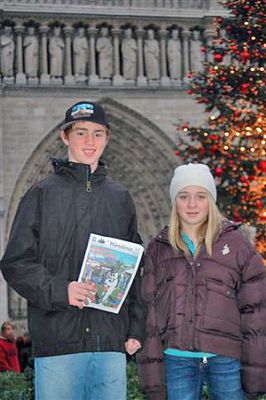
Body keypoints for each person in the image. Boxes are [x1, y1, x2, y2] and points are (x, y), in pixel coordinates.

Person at [0, 101, 146, 400]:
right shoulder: (40, 194)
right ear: (65, 137)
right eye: (81, 133)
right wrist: (60, 290)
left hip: (109, 344)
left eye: (97, 133)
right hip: (58, 342)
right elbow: (15, 263)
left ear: (107, 138)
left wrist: (135, 327)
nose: (89, 141)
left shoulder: (121, 198)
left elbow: (135, 268)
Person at [137, 163, 266, 400]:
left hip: (226, 359)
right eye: (184, 196)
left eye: (200, 196)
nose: (192, 204)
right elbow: (150, 315)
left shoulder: (236, 244)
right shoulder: (159, 248)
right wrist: (152, 379)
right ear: (175, 202)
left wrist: (255, 374)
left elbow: (256, 312)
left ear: (211, 201)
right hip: (176, 360)